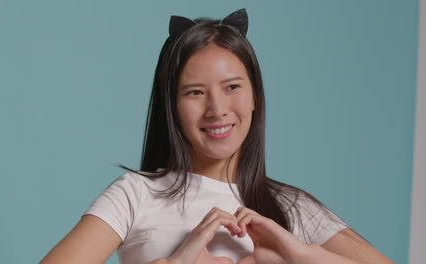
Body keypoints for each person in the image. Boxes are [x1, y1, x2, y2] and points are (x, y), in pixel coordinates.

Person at [40, 9, 395, 264]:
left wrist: (302, 255)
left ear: (255, 95)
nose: (217, 109)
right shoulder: (135, 195)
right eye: (195, 92)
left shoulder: (293, 208)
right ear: (171, 107)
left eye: (232, 87)